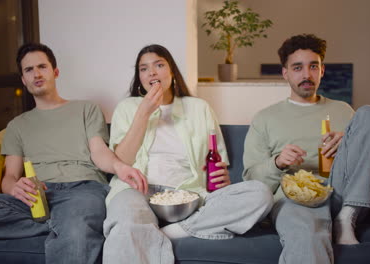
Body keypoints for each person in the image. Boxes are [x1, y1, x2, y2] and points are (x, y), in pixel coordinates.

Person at [0, 43, 145, 264]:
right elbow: (10, 177)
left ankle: (71, 225)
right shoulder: (17, 126)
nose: (36, 73)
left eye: (42, 66)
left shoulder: (86, 109)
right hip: (37, 199)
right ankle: (61, 225)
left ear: (55, 72)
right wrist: (15, 188)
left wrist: (119, 167)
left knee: (77, 229)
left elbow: (99, 153)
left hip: (82, 190)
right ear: (23, 79)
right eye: (29, 70)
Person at [102, 44, 273, 264]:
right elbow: (123, 161)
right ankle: (143, 231)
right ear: (140, 78)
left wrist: (223, 179)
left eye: (159, 65)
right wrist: (143, 113)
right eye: (143, 69)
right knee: (125, 221)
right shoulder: (127, 108)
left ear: (172, 71)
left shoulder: (199, 108)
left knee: (260, 193)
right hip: (136, 191)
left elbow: (216, 164)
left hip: (189, 196)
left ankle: (168, 232)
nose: (151, 72)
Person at [242, 34, 370, 264]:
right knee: (305, 236)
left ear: (322, 70)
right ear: (285, 73)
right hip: (296, 200)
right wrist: (278, 163)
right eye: (297, 67)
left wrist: (349, 143)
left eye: (314, 66)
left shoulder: (343, 110)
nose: (306, 75)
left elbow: (366, 157)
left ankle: (347, 216)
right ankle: (327, 226)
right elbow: (251, 180)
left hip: (343, 194)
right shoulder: (264, 118)